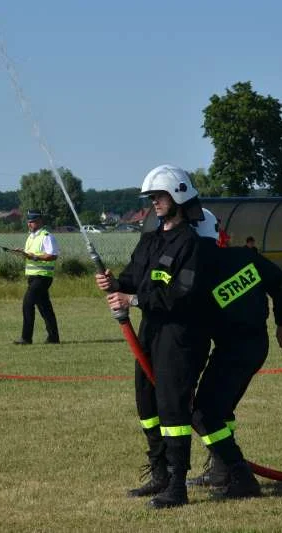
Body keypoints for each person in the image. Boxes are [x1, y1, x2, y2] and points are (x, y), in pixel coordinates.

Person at [95, 164, 210, 509]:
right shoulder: (150, 239)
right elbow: (133, 279)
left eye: (159, 196)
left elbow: (183, 294)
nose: (154, 203)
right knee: (147, 403)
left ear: (178, 194)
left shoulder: (192, 243)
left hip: (180, 334)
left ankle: (177, 486)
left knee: (173, 406)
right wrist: (115, 285)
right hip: (151, 330)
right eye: (151, 197)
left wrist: (133, 300)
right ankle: (158, 472)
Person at [187, 209, 282, 499]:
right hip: (252, 345)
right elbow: (280, 283)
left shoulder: (200, 268)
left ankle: (239, 477)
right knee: (220, 410)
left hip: (235, 349)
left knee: (203, 414)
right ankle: (221, 471)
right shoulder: (245, 257)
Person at [9, 210, 60, 344]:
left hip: (43, 276)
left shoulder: (46, 236)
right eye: (29, 221)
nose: (30, 224)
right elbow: (30, 255)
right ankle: (53, 337)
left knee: (27, 304)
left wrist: (34, 256)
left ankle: (26, 338)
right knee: (45, 308)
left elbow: (53, 255)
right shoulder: (31, 237)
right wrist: (22, 253)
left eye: (33, 221)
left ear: (40, 221)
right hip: (33, 277)